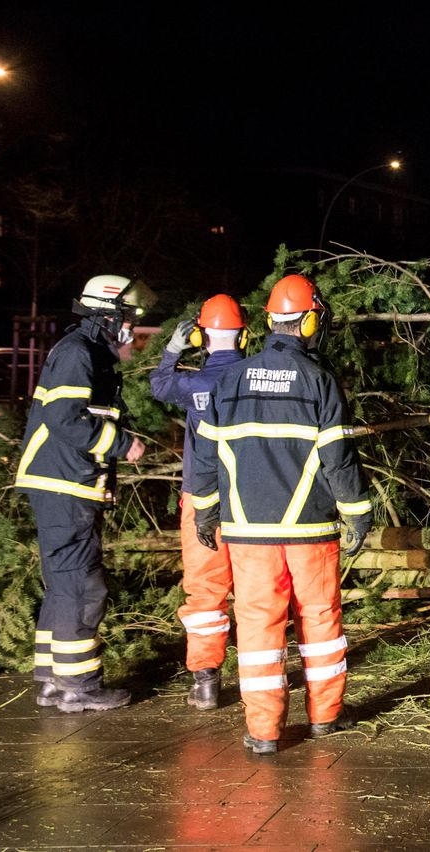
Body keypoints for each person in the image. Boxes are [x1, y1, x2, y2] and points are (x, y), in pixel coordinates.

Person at [188, 274, 372, 754]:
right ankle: (325, 717)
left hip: (248, 533)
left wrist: (205, 512)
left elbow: (205, 457)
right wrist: (357, 513)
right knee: (320, 622)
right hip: (310, 529)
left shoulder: (231, 379)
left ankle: (264, 732)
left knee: (257, 629)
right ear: (309, 322)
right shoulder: (319, 380)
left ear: (270, 322)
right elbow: (338, 460)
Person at [16, 274, 148, 712]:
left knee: (63, 584)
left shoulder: (83, 350)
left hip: (63, 481)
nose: (131, 327)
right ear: (107, 315)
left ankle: (53, 680)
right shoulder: (78, 353)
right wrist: (121, 443)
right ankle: (79, 686)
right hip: (65, 483)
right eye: (128, 317)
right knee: (81, 586)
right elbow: (66, 419)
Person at [149, 294, 248, 710]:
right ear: (244, 336)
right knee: (257, 587)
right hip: (251, 495)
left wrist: (173, 349)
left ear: (201, 337)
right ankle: (262, 678)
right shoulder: (254, 378)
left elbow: (159, 384)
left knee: (206, 587)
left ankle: (206, 681)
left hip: (199, 494)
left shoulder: (194, 384)